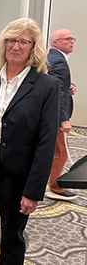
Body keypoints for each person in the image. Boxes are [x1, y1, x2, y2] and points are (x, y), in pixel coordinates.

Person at [0, 18, 59, 265]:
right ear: (3, 43)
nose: (16, 46)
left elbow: (46, 142)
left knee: (12, 234)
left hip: (19, 171)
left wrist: (33, 192)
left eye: (23, 41)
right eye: (11, 40)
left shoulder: (46, 86)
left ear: (33, 47)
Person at [45, 29, 78, 201]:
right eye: (67, 39)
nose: (72, 41)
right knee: (60, 153)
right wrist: (63, 119)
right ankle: (55, 187)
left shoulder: (54, 59)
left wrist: (69, 85)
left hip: (51, 114)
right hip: (55, 117)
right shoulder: (58, 62)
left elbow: (57, 83)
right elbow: (57, 91)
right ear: (55, 43)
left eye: (72, 39)